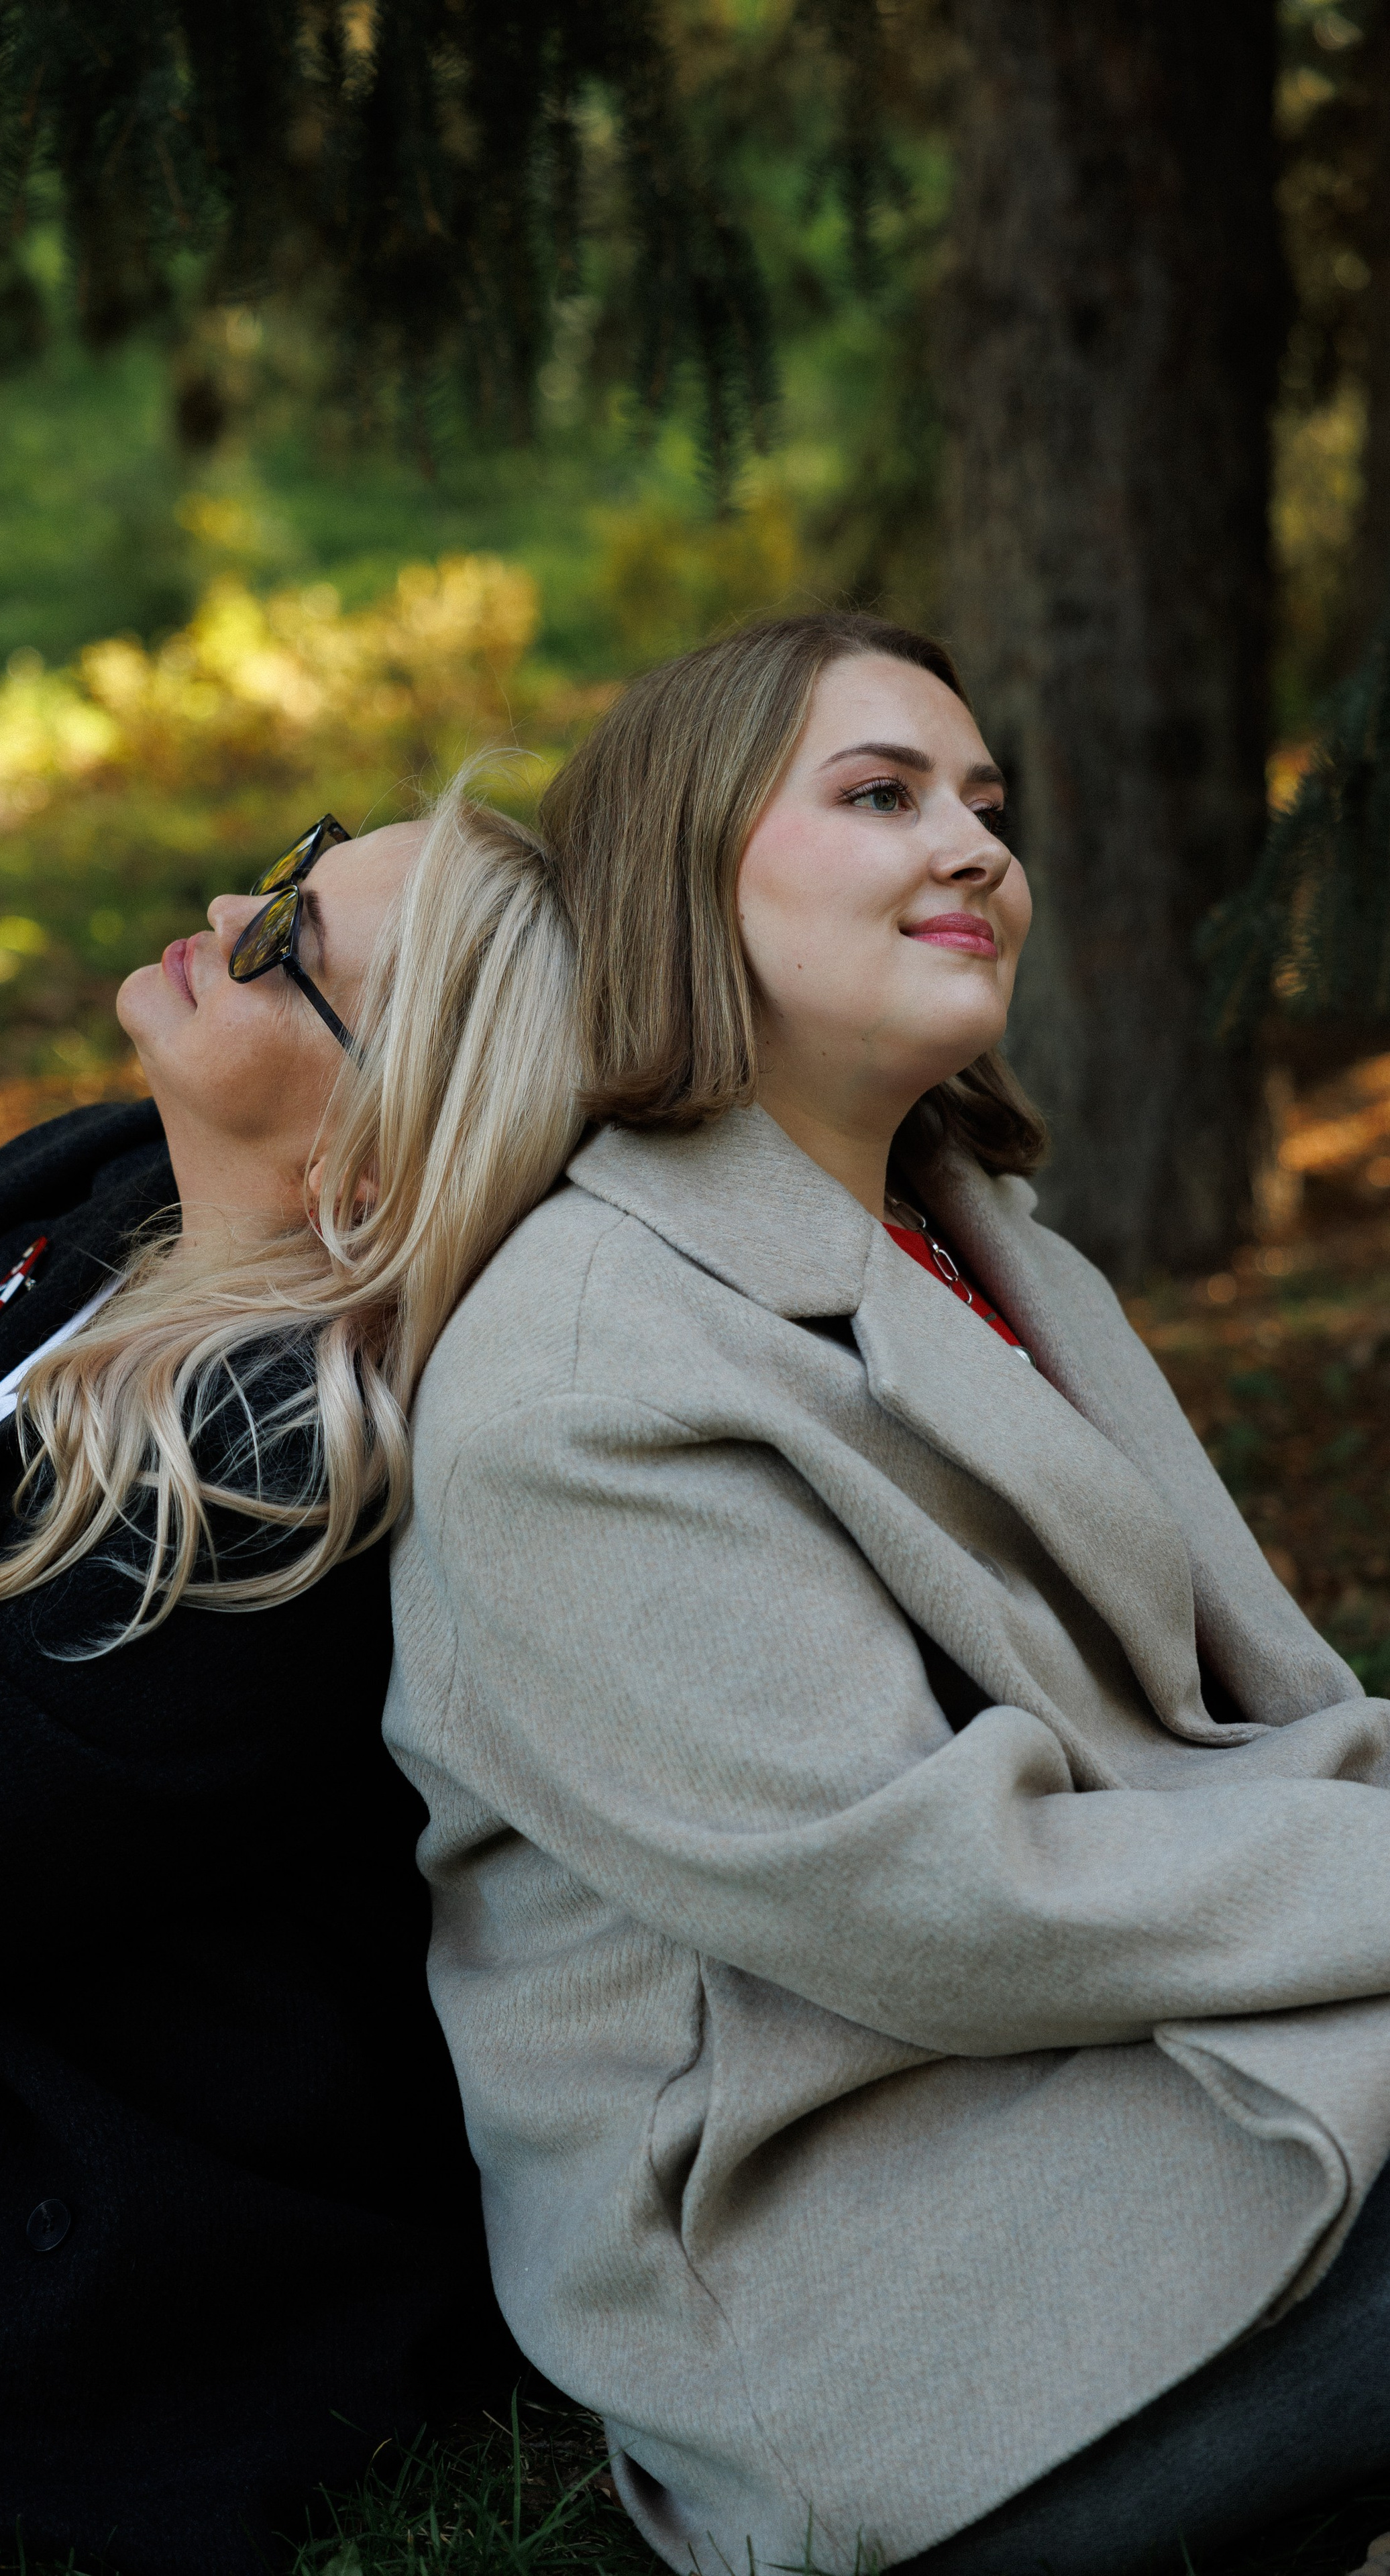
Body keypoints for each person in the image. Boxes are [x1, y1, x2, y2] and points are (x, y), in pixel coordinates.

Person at [386, 614, 1390, 2576]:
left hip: (1124, 2079)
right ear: (682, 868)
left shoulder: (993, 1252)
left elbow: (1257, 1712)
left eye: (986, 804)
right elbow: (924, 1899)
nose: (977, 848)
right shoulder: (589, 1370)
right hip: (881, 2265)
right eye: (880, 796)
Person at [0, 800, 580, 2576]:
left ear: (379, 1151)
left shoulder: (264, 1509)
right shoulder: (110, 1186)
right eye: (289, 870)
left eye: (288, 952)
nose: (227, 904)